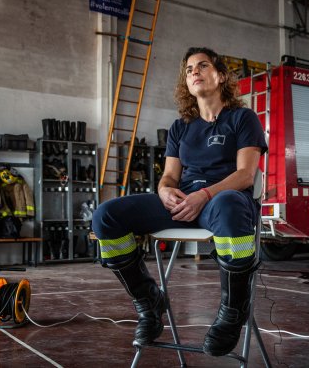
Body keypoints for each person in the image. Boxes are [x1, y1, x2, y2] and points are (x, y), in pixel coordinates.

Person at [92, 46, 267, 356]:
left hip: (222, 203)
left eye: (202, 66)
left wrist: (205, 195)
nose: (194, 72)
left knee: (228, 205)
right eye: (188, 69)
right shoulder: (180, 127)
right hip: (183, 203)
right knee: (106, 216)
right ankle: (149, 302)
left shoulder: (243, 118)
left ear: (221, 76)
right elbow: (170, 177)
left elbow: (245, 176)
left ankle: (231, 315)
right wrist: (163, 191)